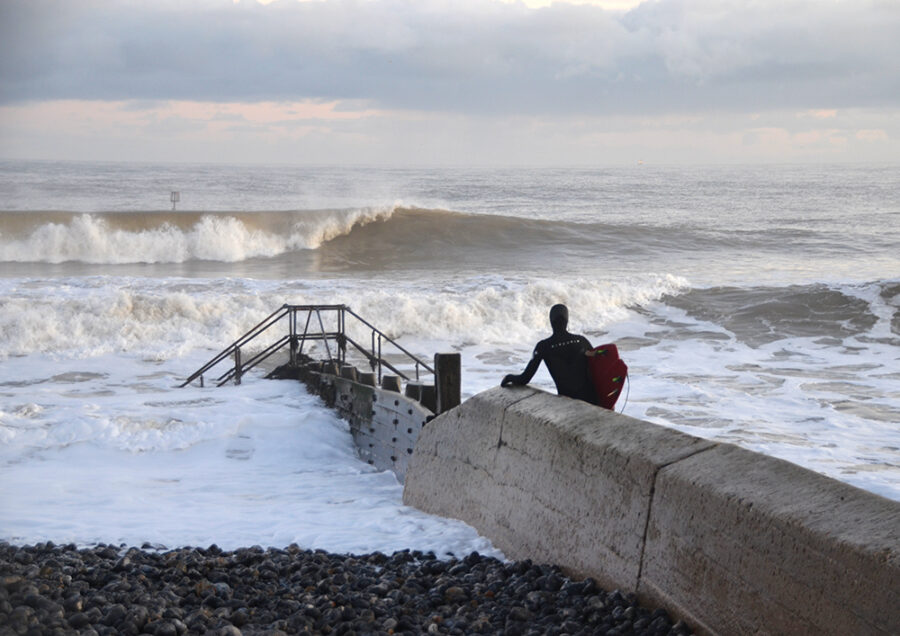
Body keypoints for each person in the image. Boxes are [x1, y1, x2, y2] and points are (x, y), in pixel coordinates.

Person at [501, 304, 599, 405]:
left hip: (567, 403)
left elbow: (524, 379)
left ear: (551, 322)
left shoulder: (543, 346)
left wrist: (508, 377)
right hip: (592, 401)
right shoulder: (581, 341)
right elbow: (598, 369)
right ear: (567, 321)